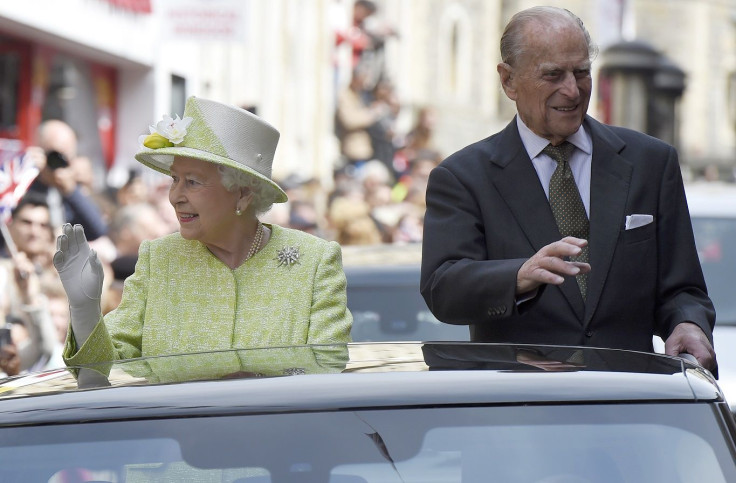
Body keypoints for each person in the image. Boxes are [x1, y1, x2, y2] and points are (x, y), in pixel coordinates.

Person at [420, 6, 717, 372]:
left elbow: (683, 288)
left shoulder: (650, 164)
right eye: (553, 75)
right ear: (508, 81)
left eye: (581, 72)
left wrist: (687, 323)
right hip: (519, 408)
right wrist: (518, 277)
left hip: (630, 403)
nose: (572, 90)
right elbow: (442, 288)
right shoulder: (464, 177)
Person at [53, 96, 352, 369]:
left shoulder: (315, 262)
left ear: (243, 194)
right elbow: (100, 371)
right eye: (174, 179)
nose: (175, 196)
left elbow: (327, 373)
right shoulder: (159, 259)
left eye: (193, 182)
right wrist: (84, 309)